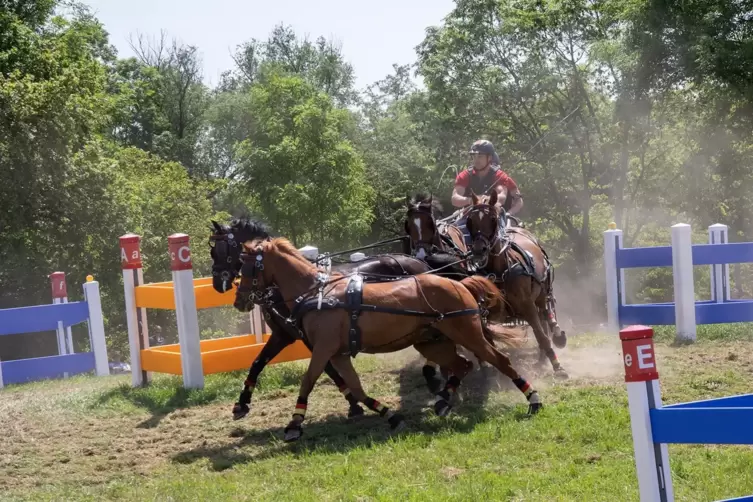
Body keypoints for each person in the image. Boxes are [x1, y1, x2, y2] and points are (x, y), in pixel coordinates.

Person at [451, 140, 524, 243]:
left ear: (489, 158)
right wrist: (470, 200)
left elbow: (502, 197)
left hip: (494, 215)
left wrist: (486, 200)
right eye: (474, 156)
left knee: (505, 240)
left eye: (480, 156)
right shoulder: (465, 175)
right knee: (450, 236)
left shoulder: (499, 175)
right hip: (470, 215)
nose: (476, 160)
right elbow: (455, 199)